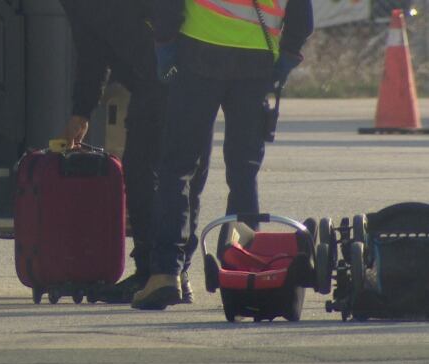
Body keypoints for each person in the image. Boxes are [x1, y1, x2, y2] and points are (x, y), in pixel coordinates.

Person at [132, 0, 314, 309]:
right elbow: (302, 18)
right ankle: (246, 270)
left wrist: (164, 43)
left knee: (178, 168)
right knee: (244, 174)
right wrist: (287, 55)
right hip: (258, 58)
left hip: (197, 52)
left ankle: (165, 273)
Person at [58, 0, 194, 304]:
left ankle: (153, 272)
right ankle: (174, 271)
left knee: (143, 170)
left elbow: (92, 50)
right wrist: (81, 111)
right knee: (179, 171)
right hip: (184, 71)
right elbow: (92, 51)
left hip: (166, 74)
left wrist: (167, 50)